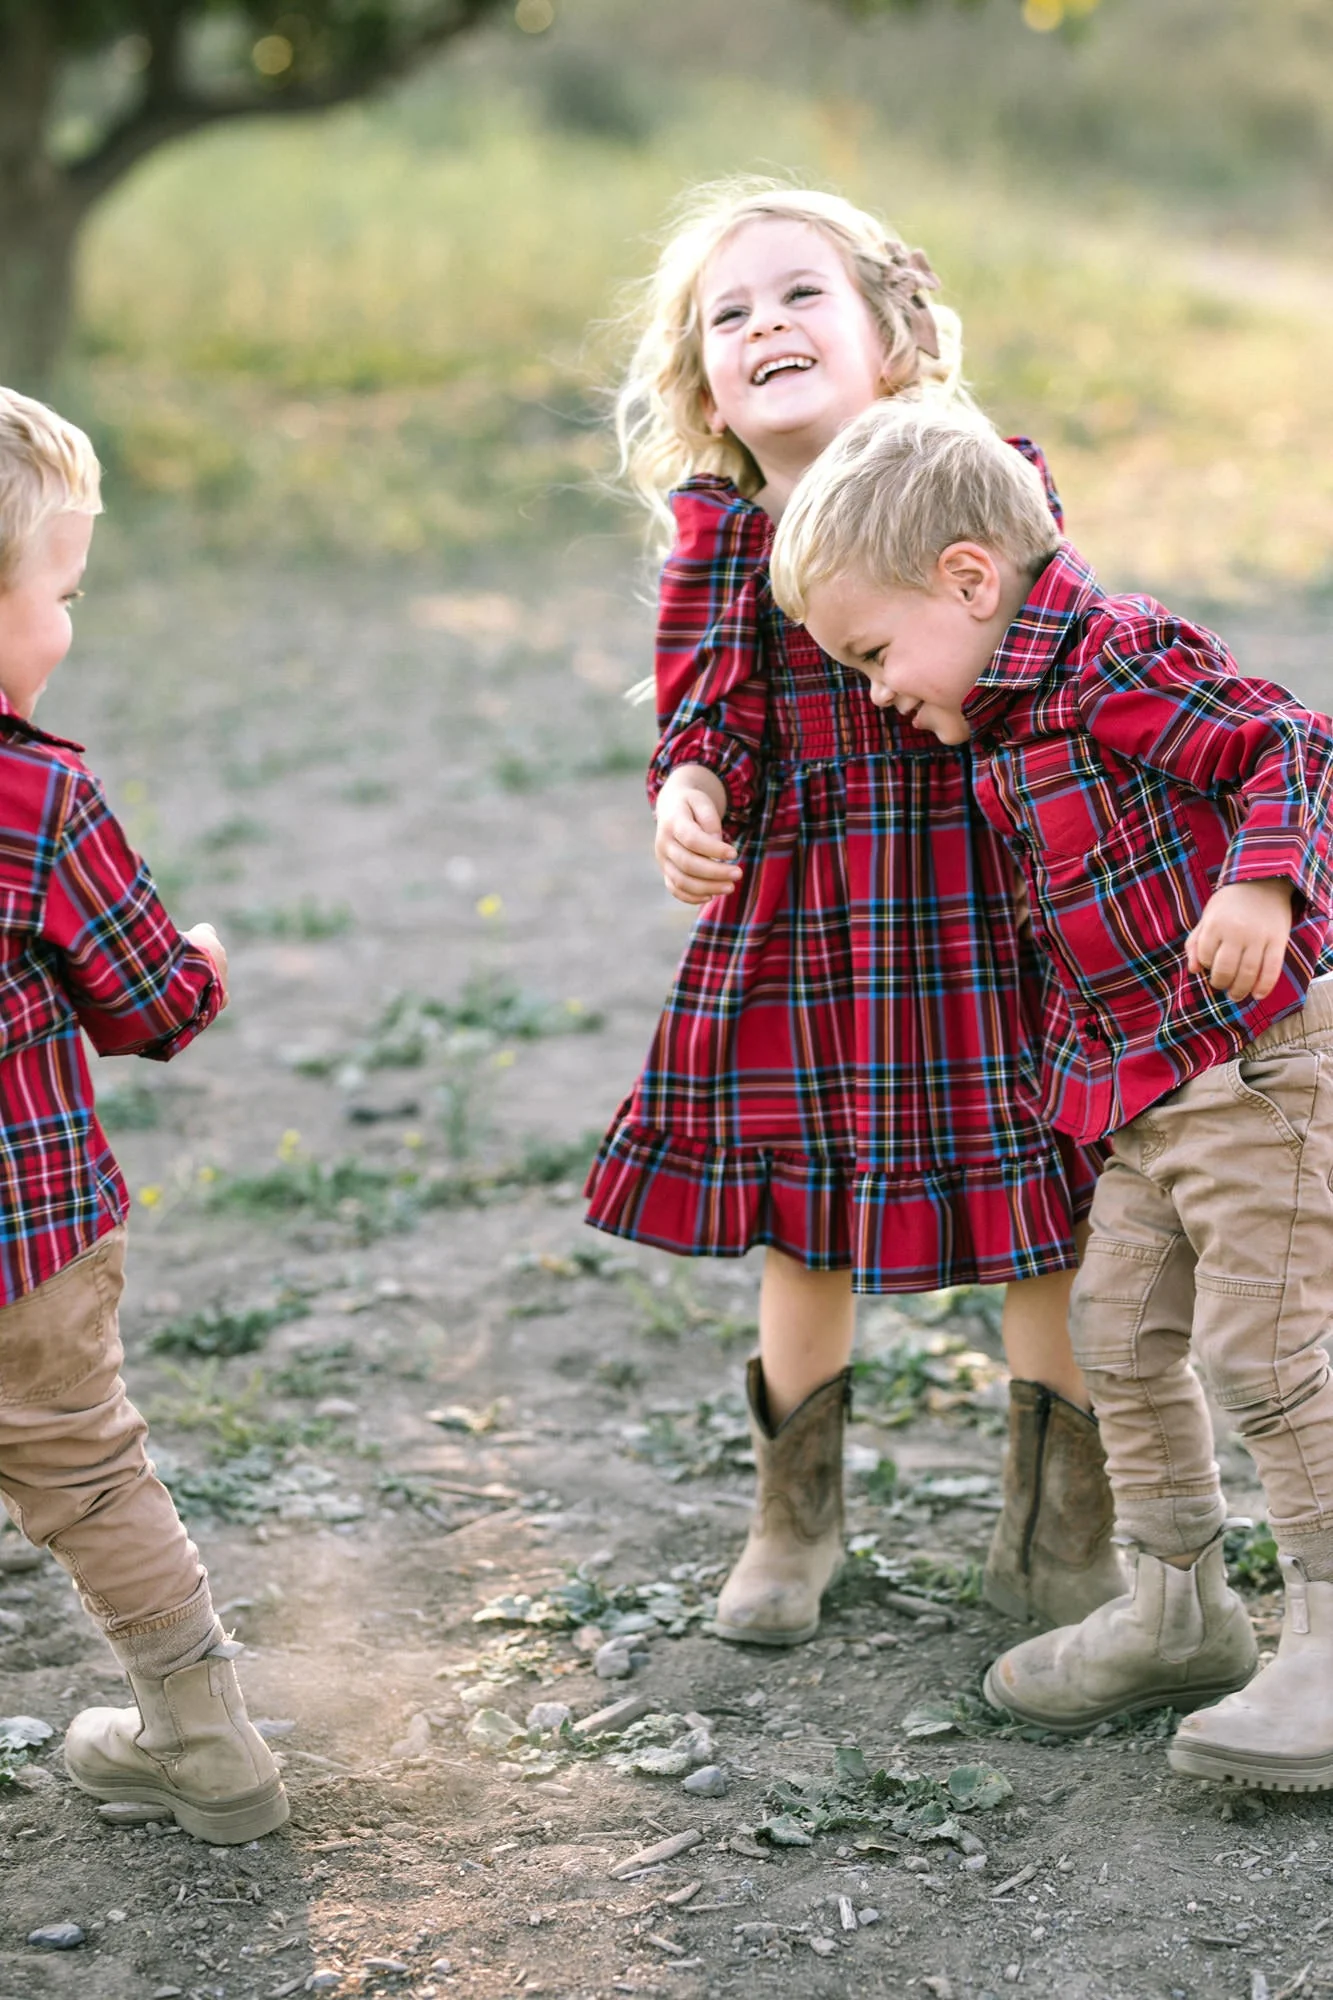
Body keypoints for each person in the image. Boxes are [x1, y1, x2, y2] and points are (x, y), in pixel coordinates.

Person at [584, 179, 1125, 1648]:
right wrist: (689, 787)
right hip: (817, 922)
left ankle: (1057, 1536)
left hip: (991, 908)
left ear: (892, 332)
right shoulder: (724, 532)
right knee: (803, 1220)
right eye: (730, 314)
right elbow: (712, 703)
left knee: (1046, 1213)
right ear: (707, 385)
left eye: (798, 293)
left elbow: (1052, 652)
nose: (766, 323)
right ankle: (793, 1521)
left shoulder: (985, 483)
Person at [771, 394, 1333, 1789]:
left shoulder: (1115, 658)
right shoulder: (1011, 706)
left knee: (1267, 1352)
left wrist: (1261, 876)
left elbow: (1290, 743)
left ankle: (1326, 1632)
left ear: (968, 578)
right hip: (1142, 1099)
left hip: (1251, 1073)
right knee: (1121, 1337)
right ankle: (1178, 1604)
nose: (876, 687)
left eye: (874, 650)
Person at [0, 386, 287, 1841]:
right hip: (26, 1247)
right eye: (62, 593)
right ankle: (203, 1739)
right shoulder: (34, 800)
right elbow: (152, 1005)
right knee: (89, 1473)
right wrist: (206, 969)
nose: (70, 625)